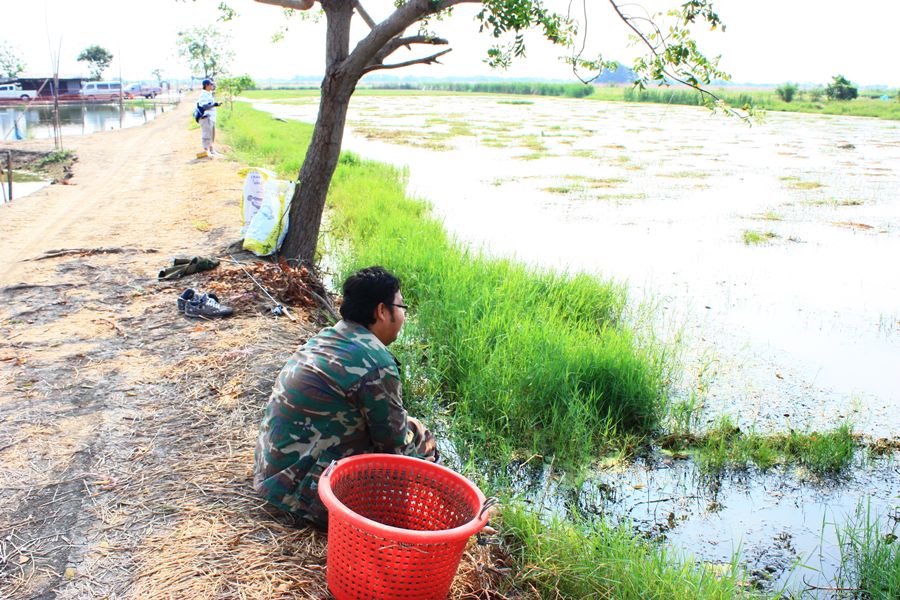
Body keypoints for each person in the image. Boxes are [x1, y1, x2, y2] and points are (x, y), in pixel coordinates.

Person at [253, 266, 437, 529]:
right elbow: (394, 449)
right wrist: (430, 477)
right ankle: (425, 513)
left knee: (408, 429)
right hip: (298, 496)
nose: (403, 316)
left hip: (270, 473)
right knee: (420, 438)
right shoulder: (375, 363)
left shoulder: (328, 337)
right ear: (382, 311)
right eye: (401, 307)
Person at [196, 78, 220, 157]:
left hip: (211, 118)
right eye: (211, 84)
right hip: (206, 118)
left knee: (211, 135)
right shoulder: (204, 94)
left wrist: (215, 104)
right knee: (206, 135)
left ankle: (212, 150)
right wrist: (214, 105)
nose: (212, 86)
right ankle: (206, 152)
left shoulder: (208, 93)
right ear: (207, 85)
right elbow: (205, 106)